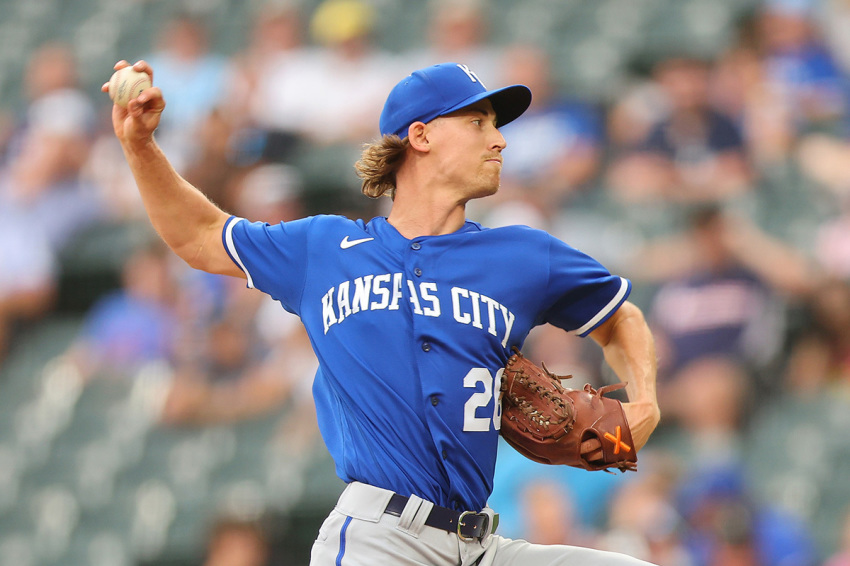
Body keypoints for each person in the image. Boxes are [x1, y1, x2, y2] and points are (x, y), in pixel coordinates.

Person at [104, 59, 660, 565]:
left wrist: (645, 400)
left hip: (483, 545)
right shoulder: (323, 249)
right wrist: (140, 148)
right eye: (479, 122)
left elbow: (620, 318)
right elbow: (201, 235)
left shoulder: (524, 256)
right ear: (420, 135)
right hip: (381, 538)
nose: (499, 141)